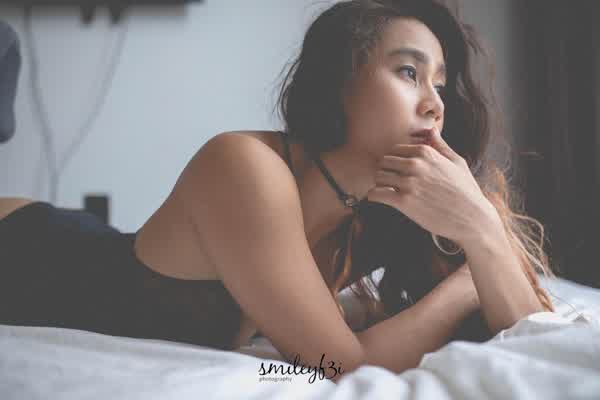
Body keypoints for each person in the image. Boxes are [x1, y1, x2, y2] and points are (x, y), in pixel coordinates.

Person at [0, 0, 556, 384]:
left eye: (439, 86)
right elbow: (343, 366)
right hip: (26, 248)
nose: (435, 105)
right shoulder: (244, 167)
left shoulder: (374, 212)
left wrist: (483, 231)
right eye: (409, 73)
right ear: (341, 81)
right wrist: (466, 284)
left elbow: (534, 334)